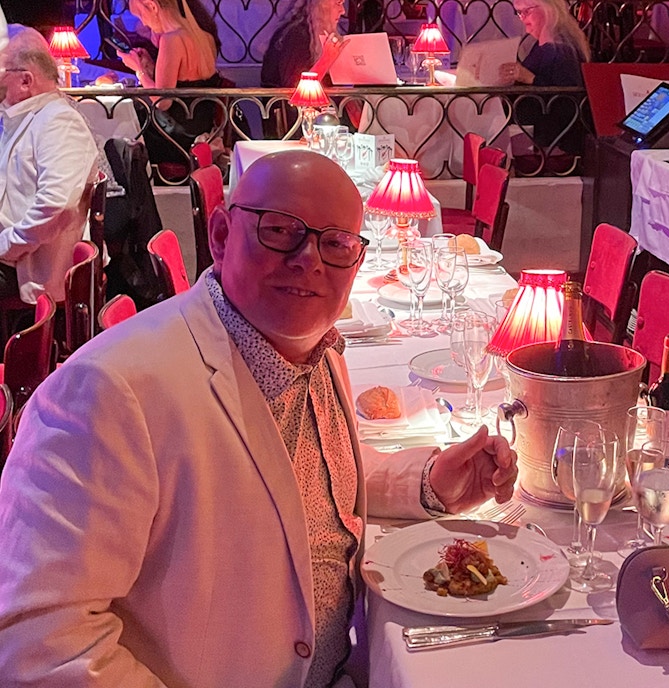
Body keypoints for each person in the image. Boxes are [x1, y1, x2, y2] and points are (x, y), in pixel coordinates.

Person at [0, 150, 519, 687]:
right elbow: (38, 644)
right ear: (222, 234)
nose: (308, 259)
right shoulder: (108, 391)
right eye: (280, 231)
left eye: (335, 243)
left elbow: (300, 478)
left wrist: (429, 482)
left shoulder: (318, 351)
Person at [0, 26, 98, 305]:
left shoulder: (58, 121)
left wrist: (6, 245)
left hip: (25, 263)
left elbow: (56, 205)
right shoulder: (24, 115)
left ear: (26, 81)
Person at [117, 0, 225, 166]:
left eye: (141, 15)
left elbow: (163, 102)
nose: (143, 23)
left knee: (121, 127)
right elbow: (184, 81)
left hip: (178, 136)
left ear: (152, 6)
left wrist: (139, 70)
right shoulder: (203, 36)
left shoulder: (171, 39)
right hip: (200, 126)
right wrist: (150, 67)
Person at [502, 0, 590, 156]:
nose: (523, 18)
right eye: (519, 13)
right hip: (534, 134)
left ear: (549, 9)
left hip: (552, 143)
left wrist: (530, 78)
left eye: (526, 11)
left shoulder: (562, 50)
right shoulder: (543, 45)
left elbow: (568, 101)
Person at [261, 0, 349, 89]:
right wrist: (326, 59)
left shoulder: (312, 33)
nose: (343, 11)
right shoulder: (297, 35)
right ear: (322, 5)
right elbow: (295, 91)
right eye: (338, 3)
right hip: (284, 101)